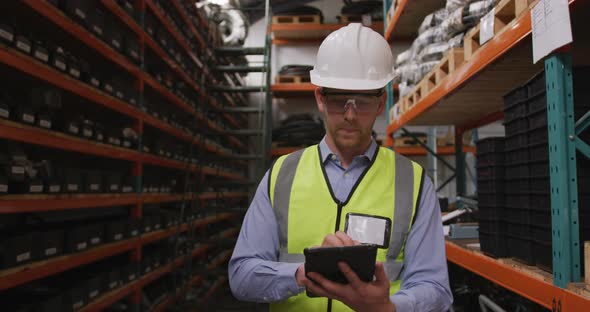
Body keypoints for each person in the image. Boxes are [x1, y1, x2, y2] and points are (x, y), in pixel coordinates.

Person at [229, 23, 452, 311]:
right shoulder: (281, 175)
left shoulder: (414, 182)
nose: (349, 115)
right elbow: (242, 275)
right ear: (320, 98)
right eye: (338, 101)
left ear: (381, 102)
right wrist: (304, 274)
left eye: (361, 102)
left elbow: (435, 289)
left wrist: (389, 308)